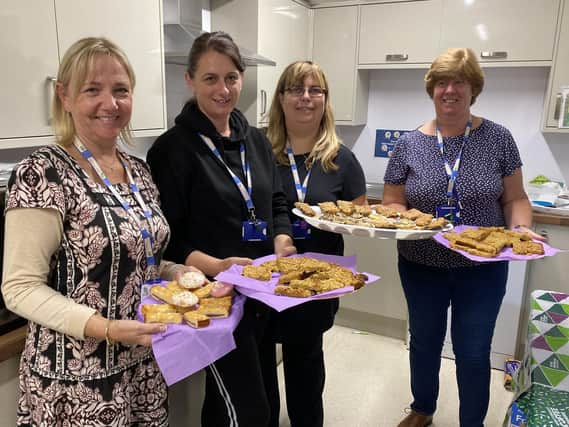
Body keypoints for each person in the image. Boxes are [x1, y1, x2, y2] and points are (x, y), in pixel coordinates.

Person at [1, 37, 198, 426]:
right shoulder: (43, 172)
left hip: (142, 364)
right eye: (93, 89)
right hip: (76, 379)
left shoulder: (138, 171)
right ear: (65, 96)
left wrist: (176, 272)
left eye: (121, 90)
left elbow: (138, 261)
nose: (110, 103)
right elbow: (19, 287)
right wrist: (104, 328)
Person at [382, 48, 543, 427]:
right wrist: (407, 220)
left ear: (474, 89)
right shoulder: (408, 144)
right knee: (424, 343)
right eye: (442, 82)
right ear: (432, 89)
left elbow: (516, 198)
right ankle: (423, 408)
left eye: (459, 82)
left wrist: (519, 230)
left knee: (473, 352)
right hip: (421, 264)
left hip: (482, 269)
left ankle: (472, 422)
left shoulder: (498, 138)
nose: (450, 90)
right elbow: (392, 202)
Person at [146, 31, 296, 427]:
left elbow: (277, 202)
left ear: (242, 78)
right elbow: (168, 238)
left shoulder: (258, 142)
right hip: (214, 301)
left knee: (251, 398)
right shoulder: (172, 150)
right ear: (190, 80)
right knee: (250, 412)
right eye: (210, 78)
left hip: (263, 292)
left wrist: (282, 239)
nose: (223, 89)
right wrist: (217, 264)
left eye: (231, 77)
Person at [264, 60, 367, 427]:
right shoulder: (259, 151)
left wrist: (346, 222)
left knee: (305, 365)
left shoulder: (342, 159)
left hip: (318, 281)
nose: (305, 98)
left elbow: (360, 215)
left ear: (325, 100)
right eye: (296, 89)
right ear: (280, 98)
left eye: (315, 91)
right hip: (264, 276)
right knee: (261, 369)